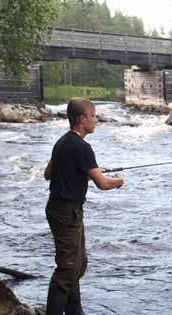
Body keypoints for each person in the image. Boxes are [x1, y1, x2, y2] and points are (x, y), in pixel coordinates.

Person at [43, 98, 124, 315]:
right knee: (68, 269)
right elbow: (104, 184)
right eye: (93, 116)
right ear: (82, 119)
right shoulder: (83, 147)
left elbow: (48, 174)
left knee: (78, 264)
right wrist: (119, 180)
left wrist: (78, 172)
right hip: (66, 211)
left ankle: (75, 312)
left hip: (61, 209)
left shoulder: (61, 142)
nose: (95, 120)